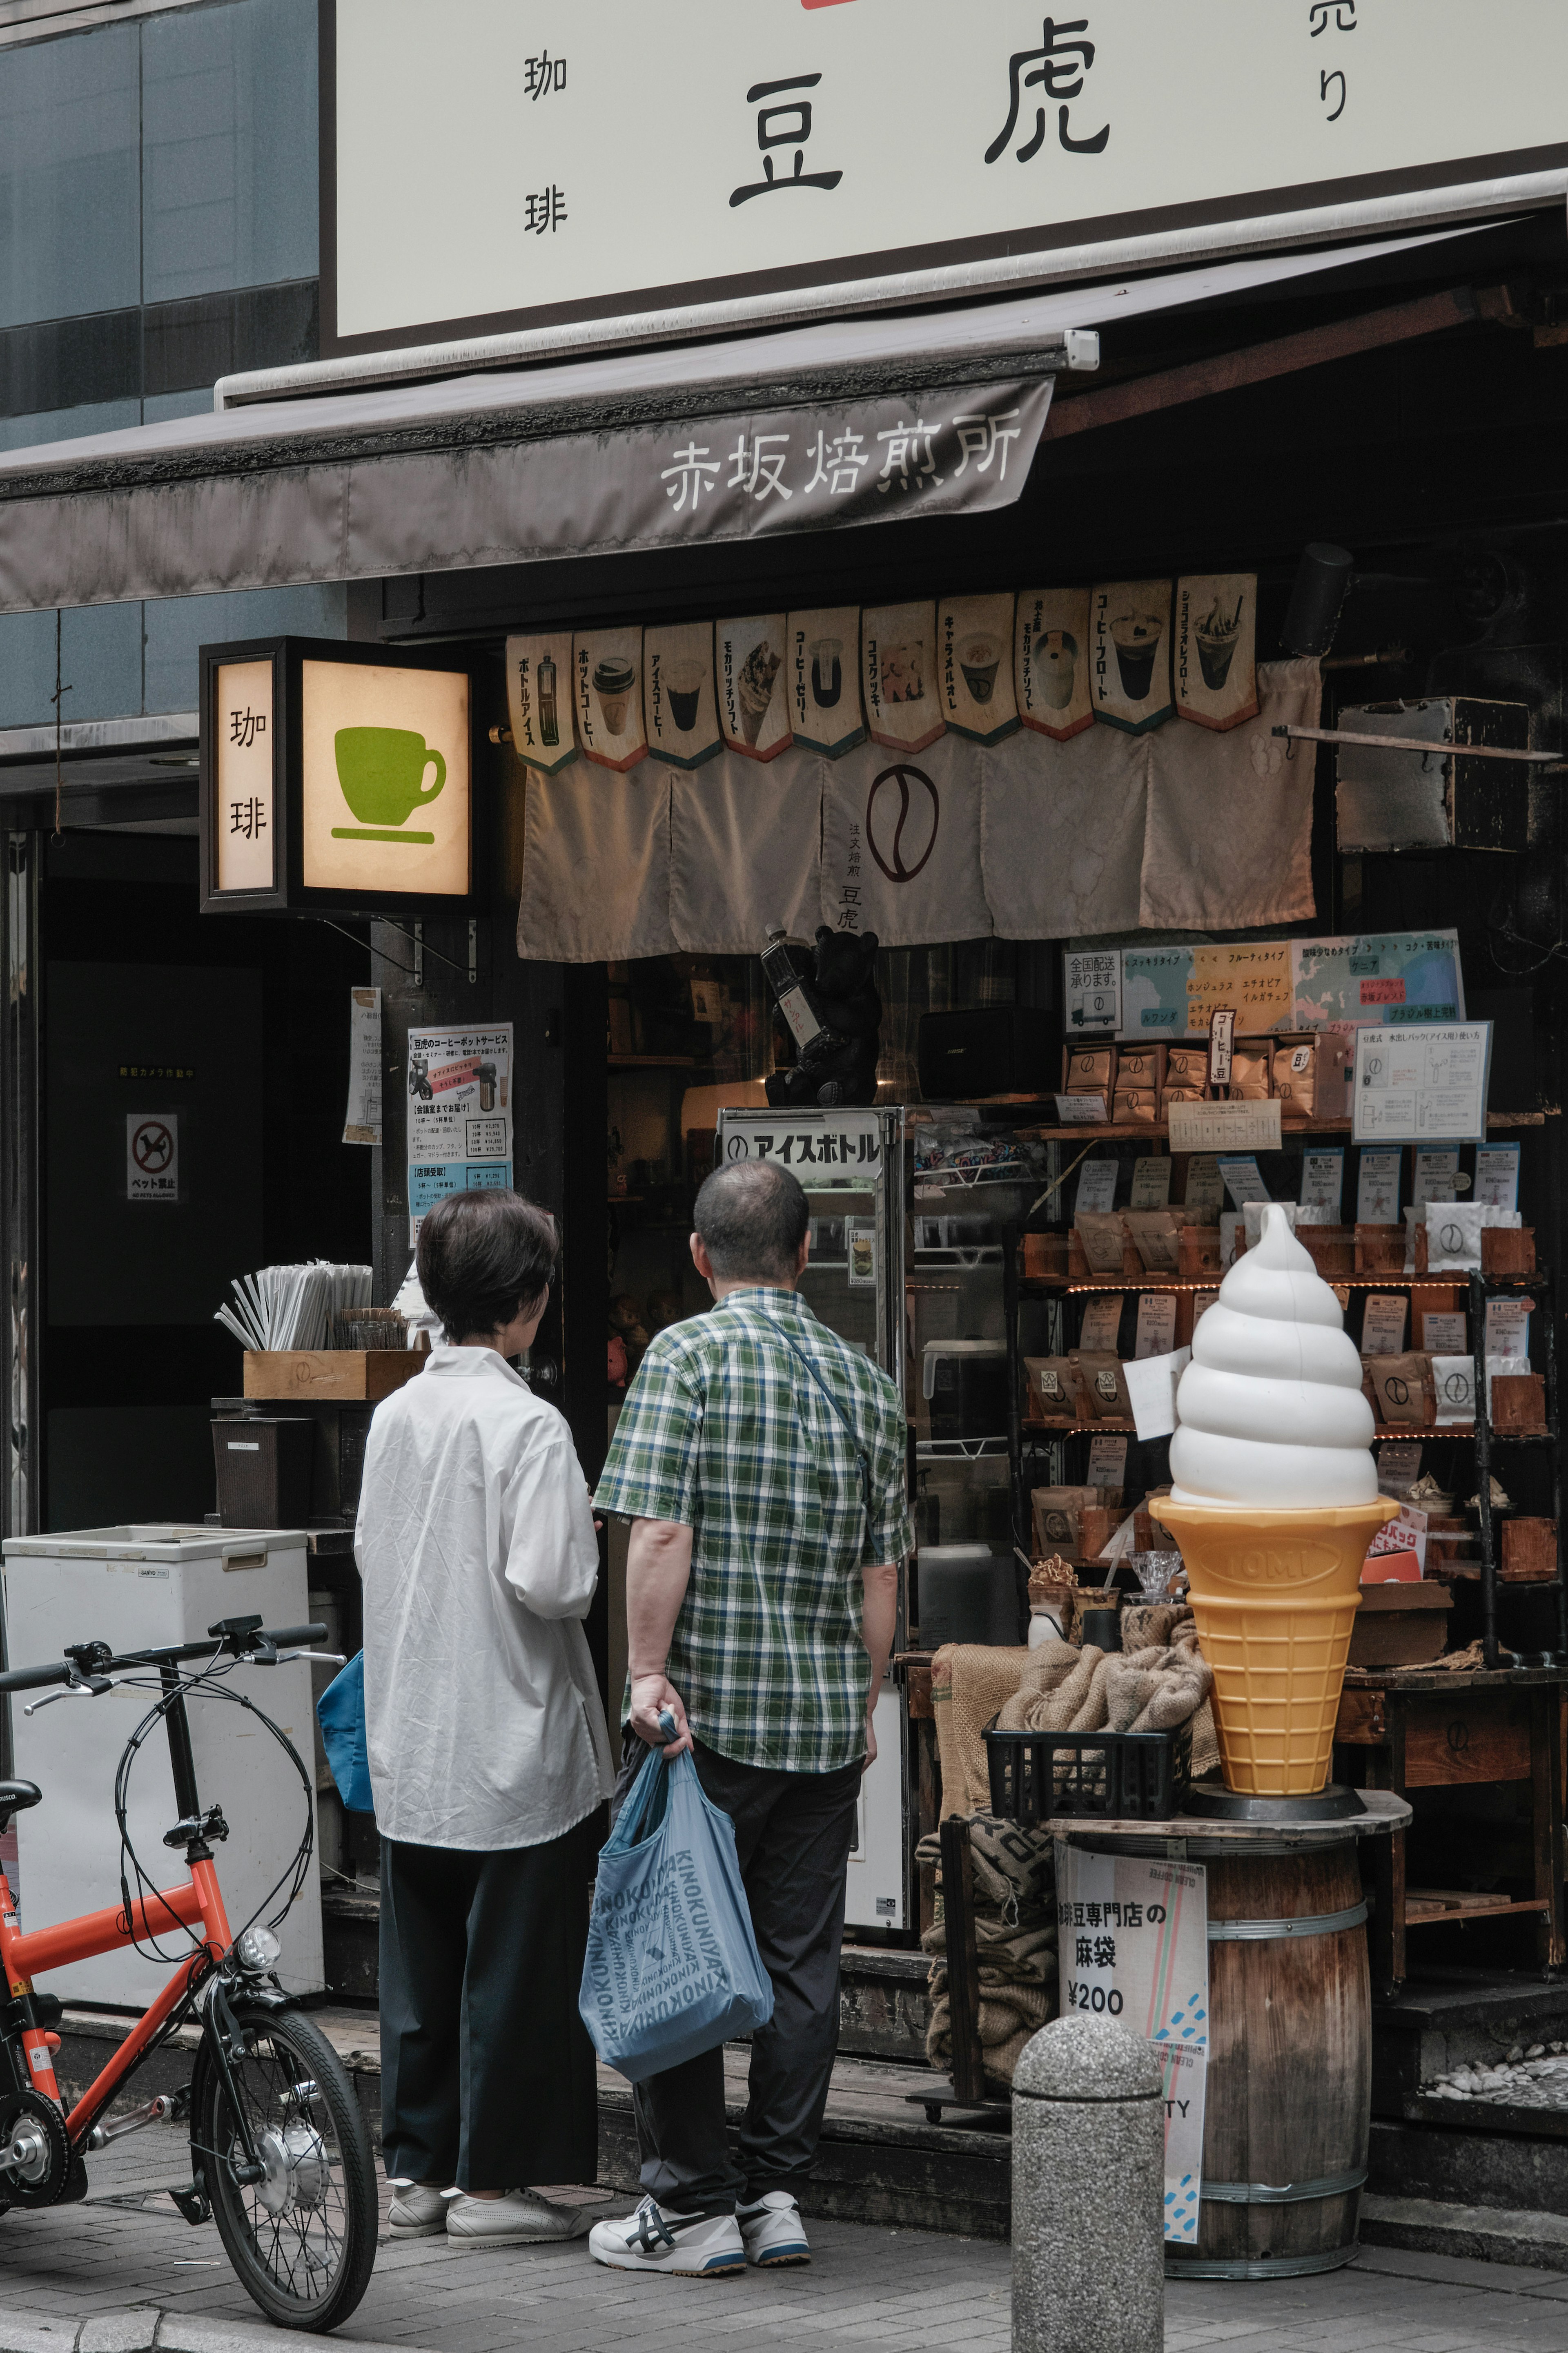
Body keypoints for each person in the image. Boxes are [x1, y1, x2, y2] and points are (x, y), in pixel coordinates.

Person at [588, 1159, 912, 2278]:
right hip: (824, 1728)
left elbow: (660, 1533)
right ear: (807, 1253)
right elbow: (883, 1580)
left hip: (704, 1724)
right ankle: (776, 2193)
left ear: (698, 1255)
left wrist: (642, 1671)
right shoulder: (865, 1380)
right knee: (798, 1962)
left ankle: (691, 2201)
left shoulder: (684, 1355)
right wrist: (865, 1701)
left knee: (675, 1939)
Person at [357, 1188, 614, 2248]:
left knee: (421, 1965)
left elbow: (372, 1549)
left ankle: (417, 2171)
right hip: (511, 1736)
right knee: (515, 1972)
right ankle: (497, 2185)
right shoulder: (529, 1423)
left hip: (413, 1730)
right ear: (524, 1303)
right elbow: (557, 1583)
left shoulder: (396, 1413)